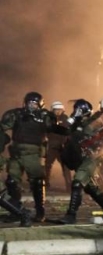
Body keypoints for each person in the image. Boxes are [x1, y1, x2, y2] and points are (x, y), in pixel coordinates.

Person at [53, 100, 103, 224]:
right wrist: (72, 120)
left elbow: (87, 132)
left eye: (78, 110)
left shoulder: (96, 120)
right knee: (89, 187)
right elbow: (62, 130)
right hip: (82, 158)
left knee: (78, 182)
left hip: (94, 156)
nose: (75, 113)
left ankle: (71, 215)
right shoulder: (76, 123)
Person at [2, 92, 57, 222]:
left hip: (33, 153)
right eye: (29, 103)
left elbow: (52, 127)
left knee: (37, 182)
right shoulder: (17, 114)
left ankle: (40, 211)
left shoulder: (44, 116)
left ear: (40, 104)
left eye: (34, 103)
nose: (31, 105)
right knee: (11, 182)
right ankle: (16, 209)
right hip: (17, 152)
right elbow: (4, 126)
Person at [44, 101, 73, 192]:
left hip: (62, 147)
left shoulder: (66, 119)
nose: (58, 112)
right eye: (56, 110)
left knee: (66, 167)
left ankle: (69, 186)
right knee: (47, 166)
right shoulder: (48, 119)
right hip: (52, 146)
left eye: (59, 110)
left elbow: (70, 131)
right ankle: (45, 184)